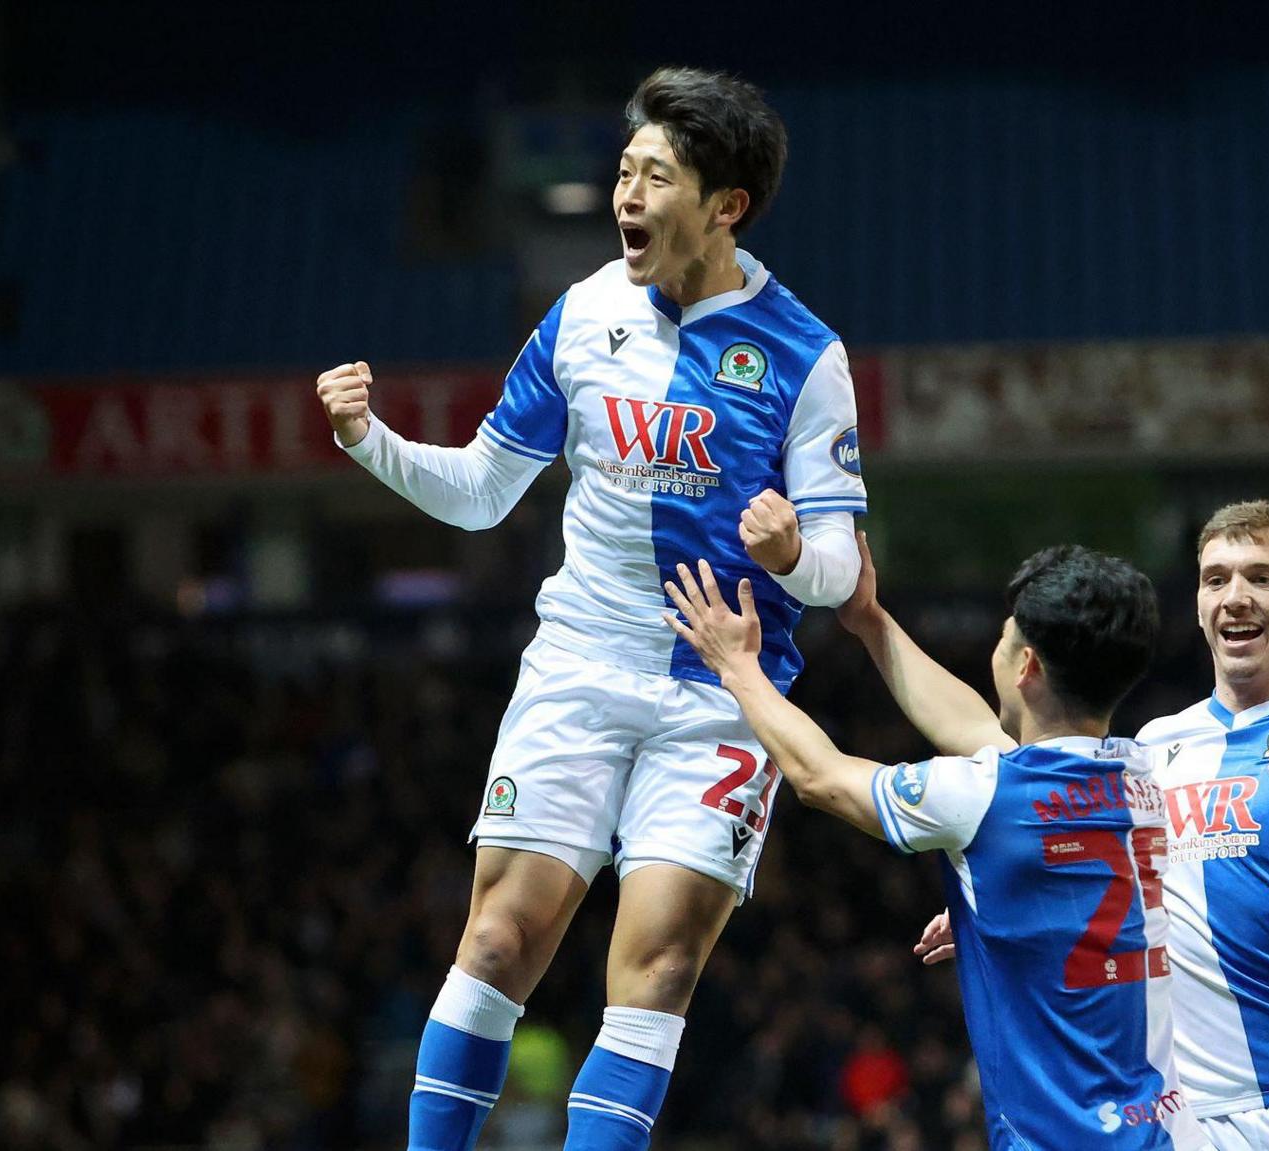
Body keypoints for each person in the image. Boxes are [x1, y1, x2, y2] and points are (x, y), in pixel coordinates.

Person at [313, 67, 867, 1151]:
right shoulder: (579, 317)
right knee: (499, 938)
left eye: (653, 175)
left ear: (724, 205)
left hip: (720, 689)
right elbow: (479, 493)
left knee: (657, 961)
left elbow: (843, 573)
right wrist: (365, 439)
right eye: (623, 169)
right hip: (577, 661)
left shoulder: (805, 355)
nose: (625, 193)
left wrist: (795, 547)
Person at [849, 502, 1269, 1151]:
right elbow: (985, 737)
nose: (1236, 596)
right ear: (1197, 603)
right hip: (1198, 1123)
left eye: (1262, 576)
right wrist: (871, 621)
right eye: (1216, 578)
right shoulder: (1155, 746)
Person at [661, 549, 1208, 1149]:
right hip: (1167, 1131)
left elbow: (822, 778)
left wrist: (737, 667)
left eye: (1004, 641)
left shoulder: (986, 795)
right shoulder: (1143, 774)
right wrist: (869, 619)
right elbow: (977, 733)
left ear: (1024, 664)